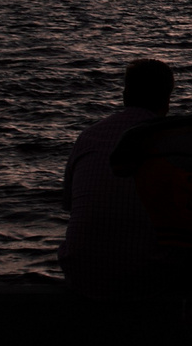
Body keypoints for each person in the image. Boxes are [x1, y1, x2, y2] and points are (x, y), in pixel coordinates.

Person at [59, 58, 174, 298]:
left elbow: (68, 204)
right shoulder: (176, 141)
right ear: (167, 98)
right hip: (149, 279)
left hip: (82, 275)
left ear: (125, 94)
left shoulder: (89, 136)